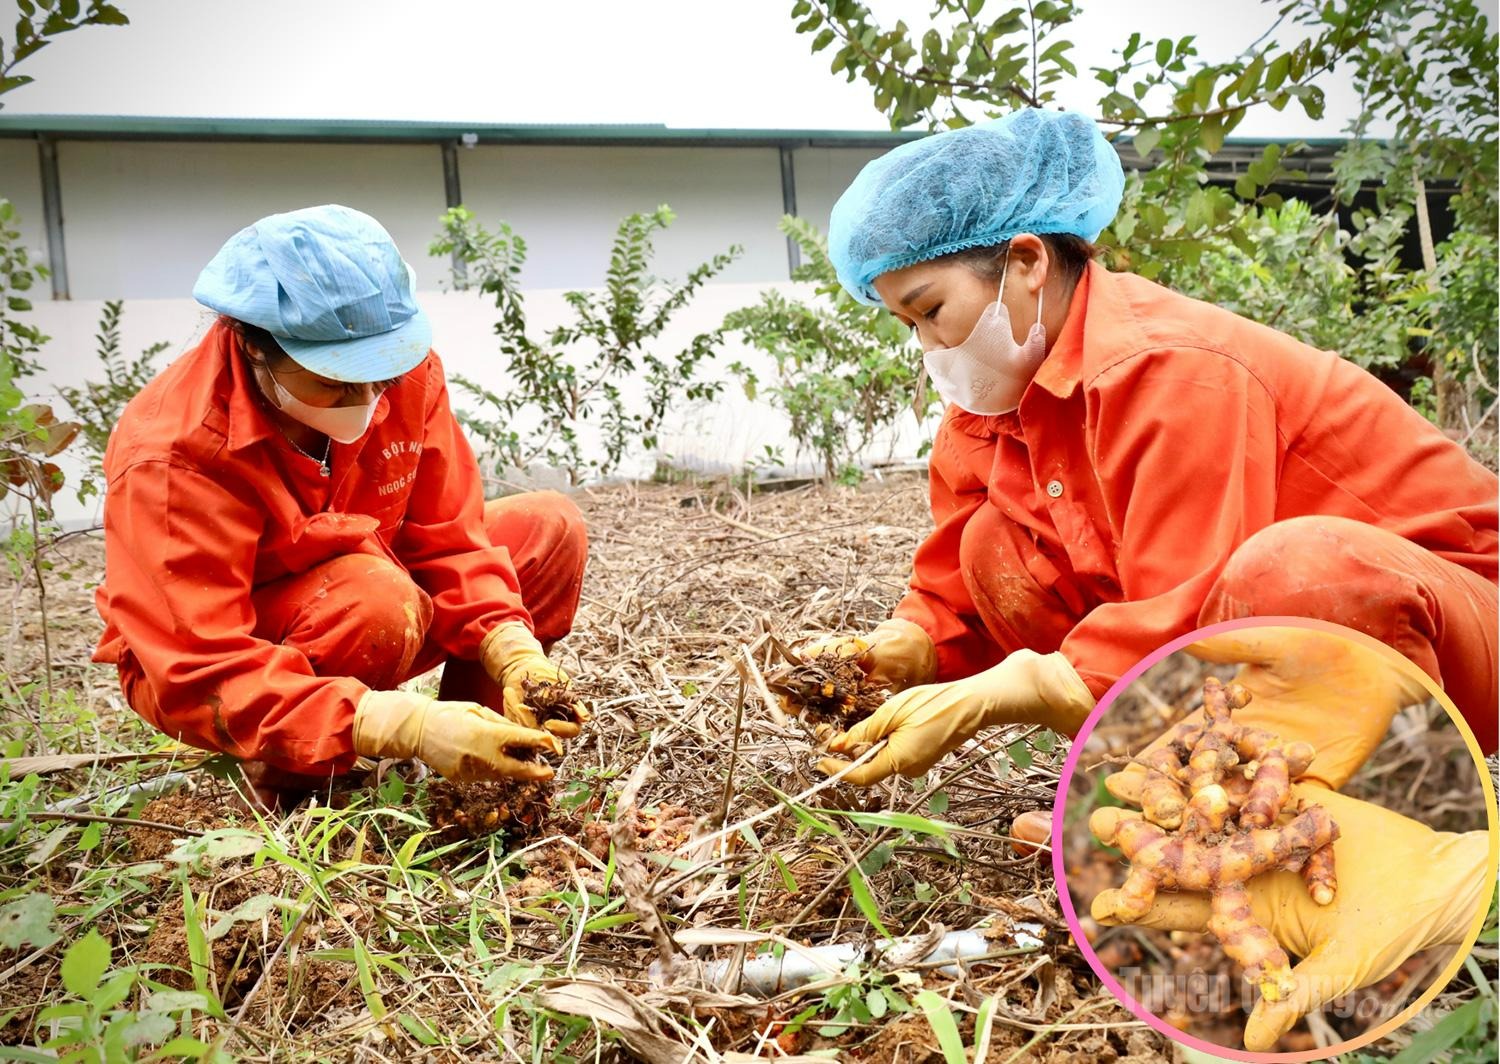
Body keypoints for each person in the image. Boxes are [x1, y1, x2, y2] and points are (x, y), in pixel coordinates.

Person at [809, 108, 1499, 785]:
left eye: (931, 311)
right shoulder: (987, 416)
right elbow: (957, 589)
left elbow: (1191, 595)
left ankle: (1391, 819)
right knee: (992, 543)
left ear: (1025, 261)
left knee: (1295, 568)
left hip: (1454, 615)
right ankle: (1168, 784)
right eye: (908, 324)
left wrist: (1039, 680)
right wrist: (910, 646)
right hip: (1285, 637)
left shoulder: (1172, 369)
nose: (930, 347)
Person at [93, 204, 590, 806]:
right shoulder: (172, 452)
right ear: (254, 346)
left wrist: (511, 648)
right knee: (376, 598)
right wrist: (399, 725)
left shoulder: (399, 369)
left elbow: (452, 538)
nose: (370, 397)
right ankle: (290, 787)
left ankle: (488, 768)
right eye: (334, 380)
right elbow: (196, 664)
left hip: (367, 597)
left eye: (381, 372)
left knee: (548, 526)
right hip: (223, 657)